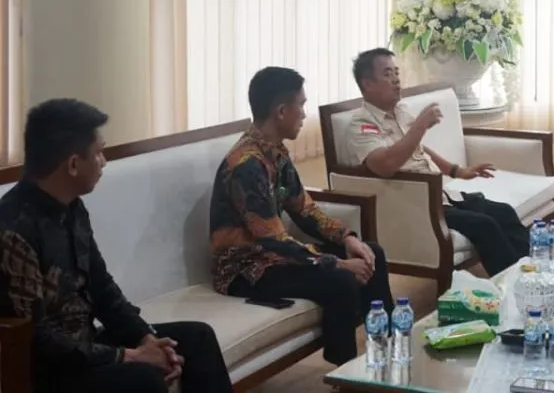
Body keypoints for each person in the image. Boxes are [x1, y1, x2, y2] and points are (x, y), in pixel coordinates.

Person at [0, 99, 233, 393]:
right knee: (143, 379)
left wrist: (146, 339)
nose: (104, 161)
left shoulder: (73, 208)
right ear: (73, 164)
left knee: (197, 339)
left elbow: (102, 288)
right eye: (98, 152)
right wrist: (128, 356)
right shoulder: (13, 230)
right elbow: (37, 338)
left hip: (88, 346)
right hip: (50, 368)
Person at [210, 67, 392, 366]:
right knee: (341, 280)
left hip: (274, 259)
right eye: (302, 105)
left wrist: (347, 238)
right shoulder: (247, 165)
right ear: (281, 111)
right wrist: (338, 263)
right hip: (247, 271)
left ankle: (386, 350)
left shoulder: (275, 153)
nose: (305, 115)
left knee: (373, 253)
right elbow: (273, 240)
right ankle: (345, 372)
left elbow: (304, 209)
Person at [338, 48, 529, 276]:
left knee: (504, 212)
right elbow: (384, 165)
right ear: (368, 84)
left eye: (396, 72)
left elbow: (418, 148)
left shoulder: (400, 111)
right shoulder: (361, 125)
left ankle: (532, 275)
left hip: (441, 196)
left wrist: (457, 171)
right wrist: (420, 125)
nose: (396, 79)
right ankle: (511, 284)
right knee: (484, 225)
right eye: (387, 74)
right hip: (418, 202)